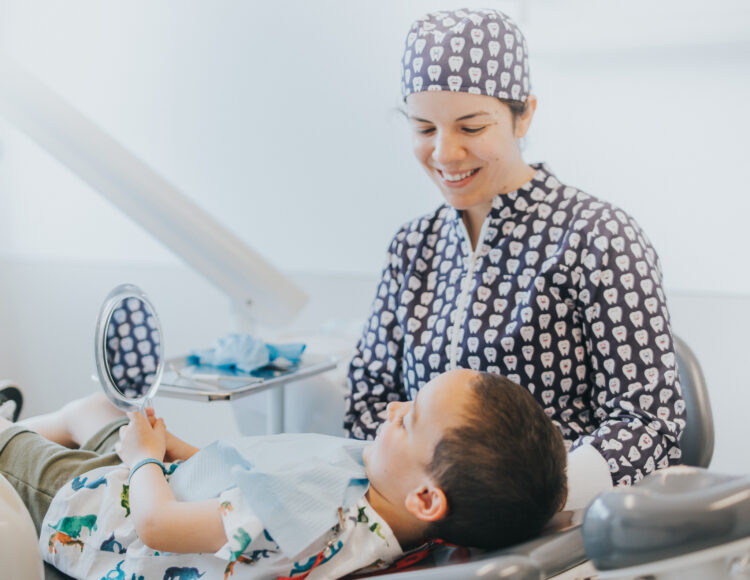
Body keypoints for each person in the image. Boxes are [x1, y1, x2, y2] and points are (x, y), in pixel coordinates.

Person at [344, 8, 685, 502]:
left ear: (523, 113)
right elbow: (366, 404)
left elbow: (650, 421)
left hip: (556, 531)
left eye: (471, 127)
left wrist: (536, 504)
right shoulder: (411, 249)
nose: (445, 153)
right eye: (424, 129)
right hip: (422, 521)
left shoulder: (599, 237)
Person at [0, 369, 567, 579]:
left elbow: (158, 526)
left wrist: (145, 457)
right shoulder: (381, 501)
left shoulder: (307, 517)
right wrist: (170, 447)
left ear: (425, 496)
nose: (392, 412)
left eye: (408, 418)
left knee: (15, 447)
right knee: (98, 408)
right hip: (157, 473)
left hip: (98, 507)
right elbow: (250, 475)